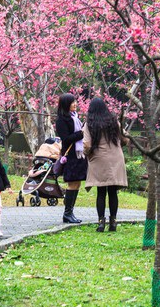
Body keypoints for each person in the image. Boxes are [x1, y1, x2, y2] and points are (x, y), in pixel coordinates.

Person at [82, 98, 128, 232]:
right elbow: (124, 138)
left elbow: (87, 144)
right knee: (113, 191)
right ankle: (113, 222)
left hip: (99, 158)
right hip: (115, 157)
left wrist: (87, 154)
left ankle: (101, 222)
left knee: (101, 192)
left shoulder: (89, 124)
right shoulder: (114, 121)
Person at [55, 93, 88, 224]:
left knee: (77, 183)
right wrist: (81, 133)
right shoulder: (62, 120)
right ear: (65, 104)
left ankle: (70, 212)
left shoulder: (75, 118)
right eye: (72, 102)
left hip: (79, 154)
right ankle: (67, 213)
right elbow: (66, 139)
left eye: (75, 102)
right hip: (71, 156)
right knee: (72, 183)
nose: (75, 104)